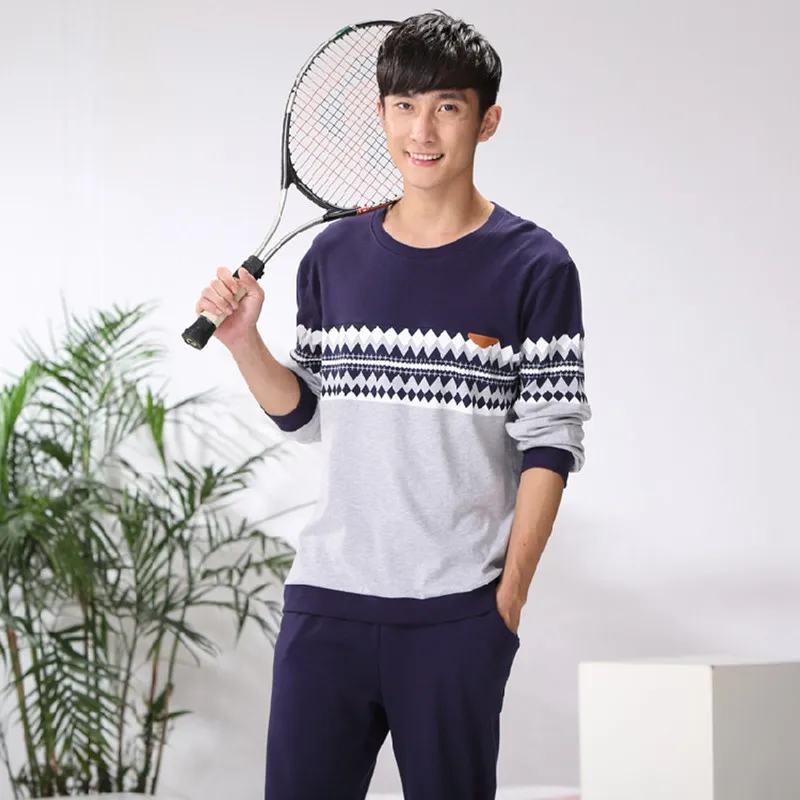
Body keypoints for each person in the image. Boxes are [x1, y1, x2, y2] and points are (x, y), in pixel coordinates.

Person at [194, 10, 591, 800]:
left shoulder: (536, 267)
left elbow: (550, 443)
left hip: (456, 616)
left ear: (487, 121)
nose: (423, 130)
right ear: (380, 115)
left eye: (447, 106)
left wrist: (505, 602)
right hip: (327, 604)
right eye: (405, 106)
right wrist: (244, 341)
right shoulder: (333, 254)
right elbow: (310, 415)